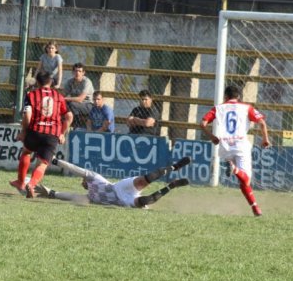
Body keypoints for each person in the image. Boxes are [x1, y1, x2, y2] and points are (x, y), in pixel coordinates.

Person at [200, 84, 271, 217]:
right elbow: (261, 122)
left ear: (225, 97)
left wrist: (212, 137)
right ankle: (235, 169)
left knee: (242, 182)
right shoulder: (247, 108)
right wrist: (265, 139)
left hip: (225, 146)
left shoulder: (218, 108)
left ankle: (255, 208)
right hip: (240, 146)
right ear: (238, 97)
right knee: (246, 179)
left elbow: (202, 124)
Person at [33, 157, 192, 209]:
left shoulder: (96, 179)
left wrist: (55, 161)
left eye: (84, 181)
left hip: (119, 187)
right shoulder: (91, 198)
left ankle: (175, 166)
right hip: (123, 200)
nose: (83, 182)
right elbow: (72, 196)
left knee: (145, 179)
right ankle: (173, 185)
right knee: (146, 201)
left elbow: (76, 169)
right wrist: (52, 193)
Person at [10, 70, 73, 198]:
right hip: (52, 135)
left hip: (35, 131)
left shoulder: (31, 95)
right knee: (42, 164)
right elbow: (69, 116)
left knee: (26, 152)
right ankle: (32, 184)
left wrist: (23, 131)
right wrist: (62, 133)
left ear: (37, 82)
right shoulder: (58, 96)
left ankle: (21, 181)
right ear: (51, 82)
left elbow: (27, 115)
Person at [63, 62, 94, 128]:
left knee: (71, 104)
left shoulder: (86, 82)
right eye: (76, 71)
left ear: (83, 73)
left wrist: (65, 99)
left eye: (80, 71)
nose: (77, 73)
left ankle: (76, 126)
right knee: (64, 104)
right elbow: (63, 95)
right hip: (75, 104)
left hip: (88, 105)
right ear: (73, 72)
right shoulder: (70, 82)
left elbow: (80, 99)